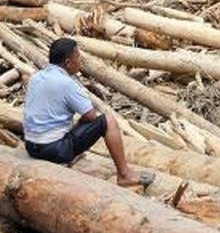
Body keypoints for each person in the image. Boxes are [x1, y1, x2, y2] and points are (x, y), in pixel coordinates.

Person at [22, 38, 150, 187]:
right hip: (53, 150)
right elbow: (90, 116)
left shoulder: (36, 77)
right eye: (77, 56)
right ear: (68, 63)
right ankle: (124, 174)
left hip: (32, 146)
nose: (81, 60)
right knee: (108, 120)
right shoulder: (67, 84)